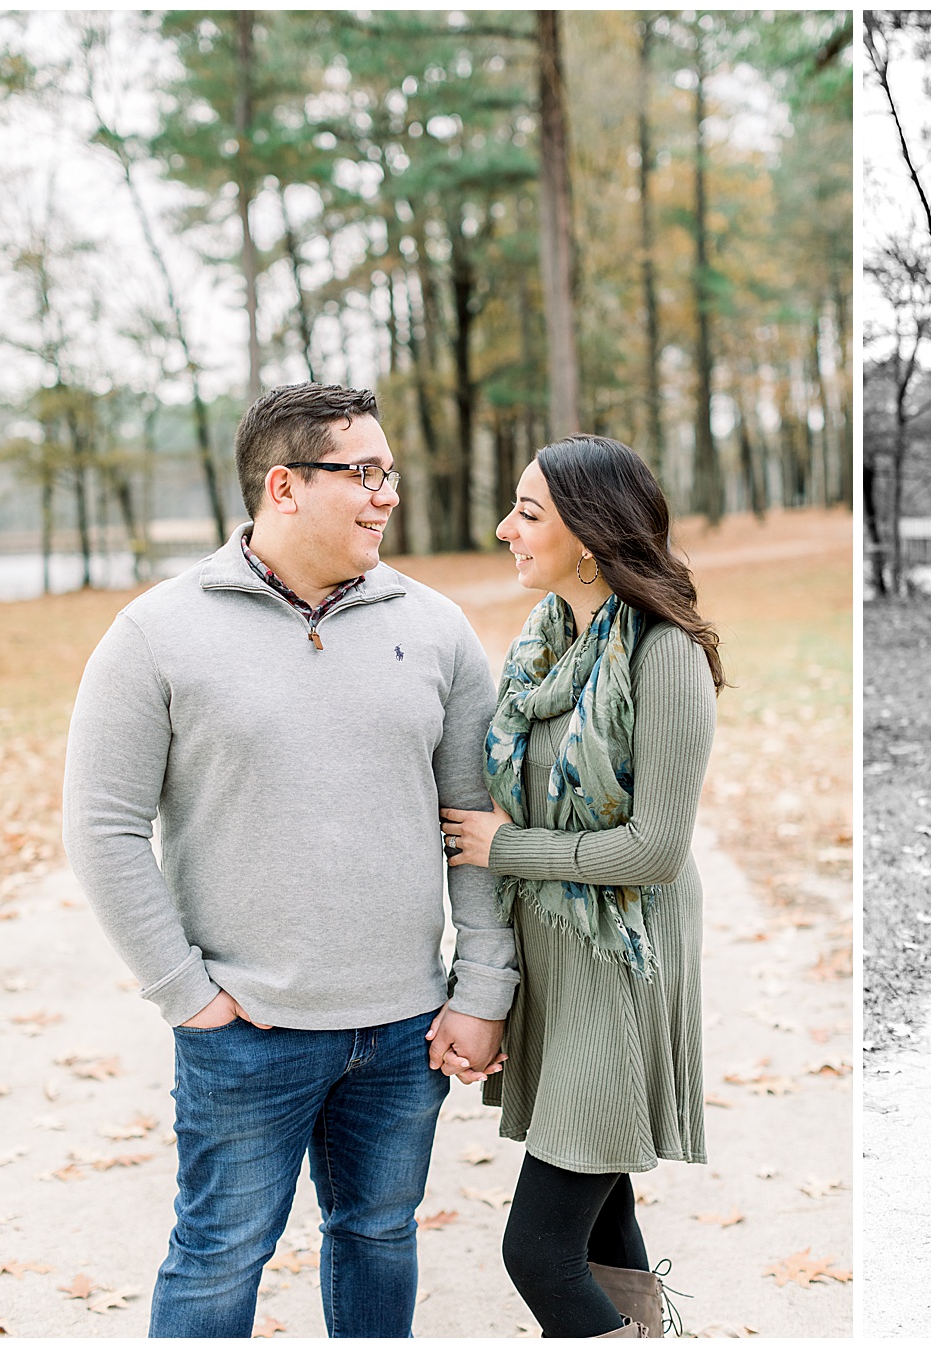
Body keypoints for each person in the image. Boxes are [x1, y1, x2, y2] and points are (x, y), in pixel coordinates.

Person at [62, 382, 518, 1338]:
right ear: (283, 487)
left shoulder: (435, 629)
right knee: (219, 1254)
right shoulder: (156, 634)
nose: (386, 493)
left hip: (403, 1033)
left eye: (388, 472)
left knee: (381, 1237)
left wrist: (481, 987)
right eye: (362, 473)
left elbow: (474, 821)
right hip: (245, 1032)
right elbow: (101, 829)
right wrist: (187, 994)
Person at [438, 434, 721, 1338]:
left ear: (591, 535)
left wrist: (505, 848)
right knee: (604, 1220)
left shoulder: (665, 655)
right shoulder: (545, 649)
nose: (503, 529)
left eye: (528, 513)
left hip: (623, 966)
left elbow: (652, 853)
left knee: (539, 1250)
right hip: (564, 963)